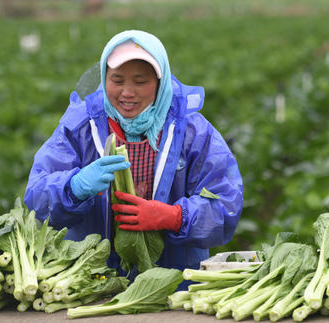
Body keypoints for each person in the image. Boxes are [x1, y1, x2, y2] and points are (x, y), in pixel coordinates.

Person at [25, 29, 244, 275]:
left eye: (141, 82)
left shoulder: (194, 132)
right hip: (90, 281)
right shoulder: (80, 127)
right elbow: (36, 197)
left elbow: (226, 205)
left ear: (160, 84)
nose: (127, 92)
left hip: (174, 281)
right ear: (104, 77)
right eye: (117, 80)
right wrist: (73, 188)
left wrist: (172, 217)